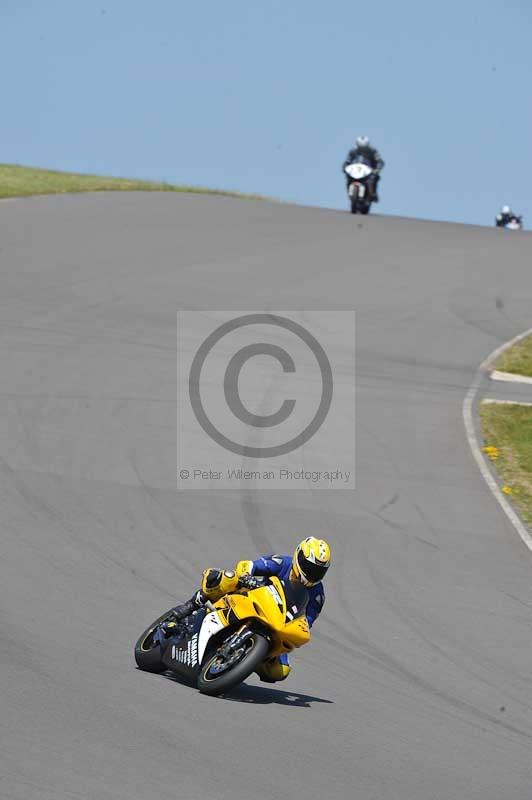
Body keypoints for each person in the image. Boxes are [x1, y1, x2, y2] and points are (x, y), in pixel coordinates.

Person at [163, 536, 331, 683]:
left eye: (318, 571)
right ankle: (190, 606)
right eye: (309, 568)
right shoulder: (283, 562)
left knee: (280, 671)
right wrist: (246, 576)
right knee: (228, 578)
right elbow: (251, 565)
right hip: (251, 598)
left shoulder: (317, 596)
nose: (312, 574)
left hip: (276, 622)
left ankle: (245, 659)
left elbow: (305, 622)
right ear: (299, 557)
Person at [343, 135, 385, 202]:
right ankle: (350, 191)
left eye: (364, 147)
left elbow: (380, 161)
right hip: (356, 170)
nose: (362, 149)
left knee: (375, 178)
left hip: (368, 171)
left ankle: (373, 193)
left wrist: (377, 169)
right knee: (348, 177)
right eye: (360, 147)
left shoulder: (373, 151)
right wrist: (345, 167)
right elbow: (348, 161)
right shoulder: (353, 151)